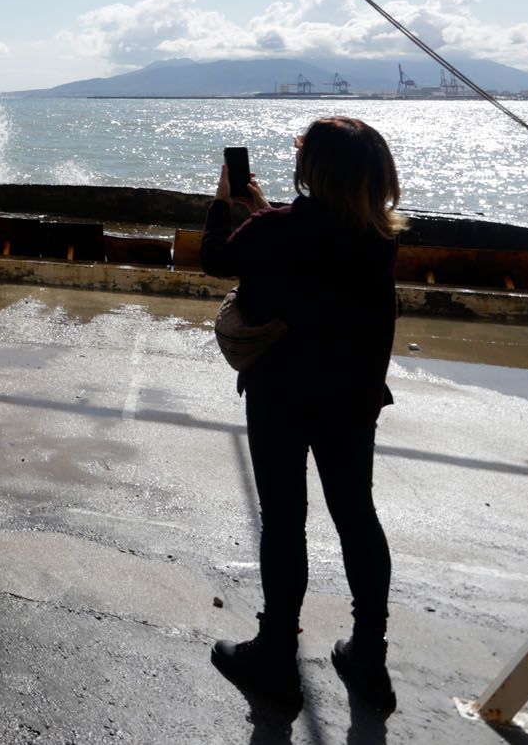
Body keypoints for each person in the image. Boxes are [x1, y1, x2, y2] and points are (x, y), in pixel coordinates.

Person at [201, 116, 403, 715]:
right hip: (353, 396)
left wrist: (224, 205)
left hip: (283, 392)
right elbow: (313, 247)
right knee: (356, 516)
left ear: (313, 170)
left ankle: (274, 654)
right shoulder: (378, 235)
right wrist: (262, 211)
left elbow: (217, 260)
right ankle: (368, 654)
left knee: (285, 516)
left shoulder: (277, 230)